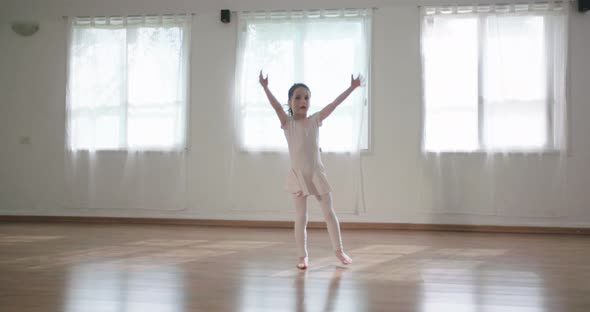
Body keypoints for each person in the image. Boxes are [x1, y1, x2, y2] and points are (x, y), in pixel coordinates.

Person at [259, 70, 362, 269]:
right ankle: (302, 256)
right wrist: (265, 87)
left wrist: (352, 87)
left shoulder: (315, 120)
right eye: (297, 98)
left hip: (316, 174)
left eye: (306, 97)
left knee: (329, 213)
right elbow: (274, 106)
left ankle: (339, 250)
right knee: (301, 217)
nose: (302, 101)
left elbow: (334, 104)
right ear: (289, 103)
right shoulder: (287, 123)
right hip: (298, 177)